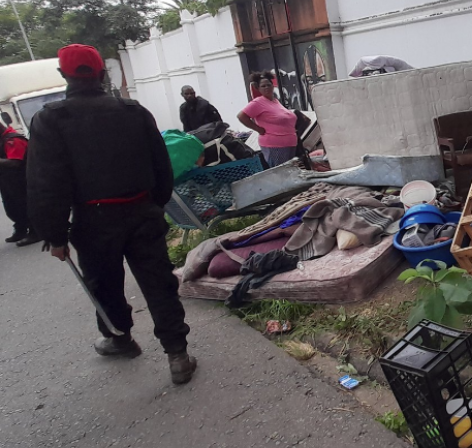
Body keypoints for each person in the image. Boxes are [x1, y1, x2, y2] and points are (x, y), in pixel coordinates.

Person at [27, 44, 197, 385]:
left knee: (104, 283)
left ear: (64, 75)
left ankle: (120, 338)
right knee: (158, 282)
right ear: (103, 74)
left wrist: (55, 235)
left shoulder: (50, 119)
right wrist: (155, 204)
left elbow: (47, 181)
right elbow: (160, 164)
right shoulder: (133, 111)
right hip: (141, 210)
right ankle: (177, 353)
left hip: (93, 219)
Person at [238, 71, 298, 167]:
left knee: (290, 172)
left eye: (268, 85)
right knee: (281, 174)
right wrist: (258, 129)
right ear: (258, 88)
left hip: (289, 143)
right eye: (263, 86)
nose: (267, 88)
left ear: (273, 86)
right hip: (275, 145)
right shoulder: (258, 102)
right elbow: (241, 116)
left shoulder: (275, 101)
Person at [0, 123, 41, 246]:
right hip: (8, 181)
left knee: (25, 206)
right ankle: (21, 229)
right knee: (12, 207)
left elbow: (15, 163)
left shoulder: (13, 140)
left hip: (21, 180)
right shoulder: (3, 140)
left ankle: (36, 232)